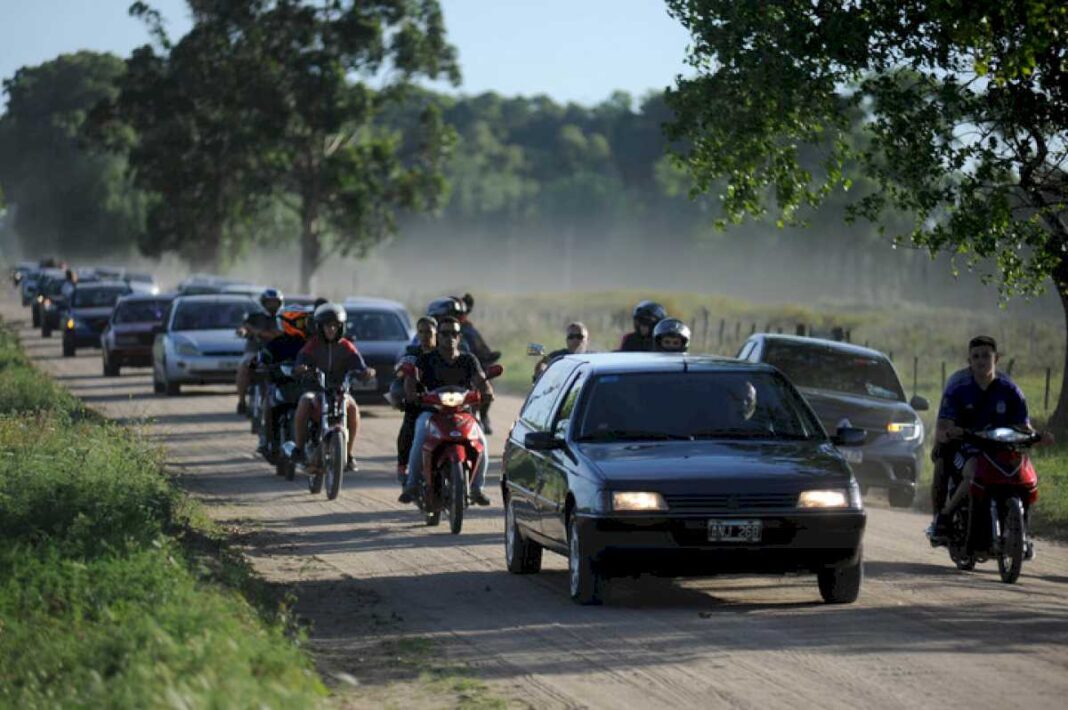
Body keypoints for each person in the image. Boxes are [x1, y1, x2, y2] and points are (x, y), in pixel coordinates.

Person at [927, 335, 1051, 541]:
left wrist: (1038, 437)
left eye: (986, 355)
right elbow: (943, 426)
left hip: (1001, 450)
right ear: (969, 361)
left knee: (1024, 477)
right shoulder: (958, 388)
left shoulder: (1010, 391)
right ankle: (944, 516)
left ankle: (1021, 531)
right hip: (966, 449)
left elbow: (1023, 426)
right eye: (976, 356)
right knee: (968, 469)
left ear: (996, 359)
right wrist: (950, 432)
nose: (981, 360)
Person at [399, 316, 493, 506]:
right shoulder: (426, 359)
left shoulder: (468, 359)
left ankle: (476, 488)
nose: (449, 337)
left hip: (463, 413)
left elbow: (481, 380)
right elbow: (412, 379)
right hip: (432, 412)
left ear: (459, 337)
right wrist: (411, 393)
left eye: (454, 333)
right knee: (419, 434)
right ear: (438, 336)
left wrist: (487, 392)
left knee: (481, 440)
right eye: (444, 333)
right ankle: (412, 485)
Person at [290, 303, 376, 471]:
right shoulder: (312, 345)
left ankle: (349, 454)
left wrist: (366, 372)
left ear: (341, 327)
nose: (331, 329)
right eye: (327, 326)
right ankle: (299, 449)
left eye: (335, 326)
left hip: (339, 392)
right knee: (304, 402)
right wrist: (301, 369)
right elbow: (300, 362)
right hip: (316, 391)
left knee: (352, 409)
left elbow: (360, 365)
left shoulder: (346, 346)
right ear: (319, 327)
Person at [255, 305, 311, 456]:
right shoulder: (276, 343)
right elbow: (262, 358)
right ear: (287, 323)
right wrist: (260, 364)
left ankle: (316, 441)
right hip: (281, 384)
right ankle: (266, 440)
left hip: (305, 386)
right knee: (269, 403)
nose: (305, 326)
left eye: (306, 322)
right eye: (301, 322)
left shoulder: (310, 342)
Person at [395, 316, 437, 485]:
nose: (425, 336)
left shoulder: (442, 354)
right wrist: (403, 370)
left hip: (443, 401)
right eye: (421, 332)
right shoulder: (412, 352)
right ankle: (402, 465)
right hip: (419, 400)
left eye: (429, 332)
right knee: (409, 426)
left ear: (436, 333)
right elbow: (399, 372)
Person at [237, 288, 284, 415]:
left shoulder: (283, 318)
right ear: (263, 303)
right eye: (269, 302)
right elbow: (244, 328)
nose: (272, 305)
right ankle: (241, 402)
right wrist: (243, 331)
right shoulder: (254, 317)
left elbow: (277, 335)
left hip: (276, 355)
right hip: (254, 352)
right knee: (244, 367)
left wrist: (257, 332)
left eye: (275, 302)